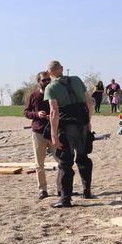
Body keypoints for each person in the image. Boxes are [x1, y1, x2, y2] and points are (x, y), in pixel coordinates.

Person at [44, 60, 94, 208]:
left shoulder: (51, 87)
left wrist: (53, 135)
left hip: (66, 127)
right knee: (83, 158)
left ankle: (65, 199)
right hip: (83, 124)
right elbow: (89, 102)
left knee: (65, 163)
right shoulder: (77, 80)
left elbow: (54, 112)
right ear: (62, 69)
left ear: (49, 73)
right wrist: (89, 121)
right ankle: (87, 191)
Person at [24, 71, 57, 200]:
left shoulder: (55, 94)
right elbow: (26, 112)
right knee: (39, 164)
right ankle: (42, 190)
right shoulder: (34, 95)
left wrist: (52, 117)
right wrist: (37, 114)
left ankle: (61, 188)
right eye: (44, 80)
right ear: (39, 82)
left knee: (61, 161)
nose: (47, 82)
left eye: (49, 80)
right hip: (38, 132)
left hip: (54, 132)